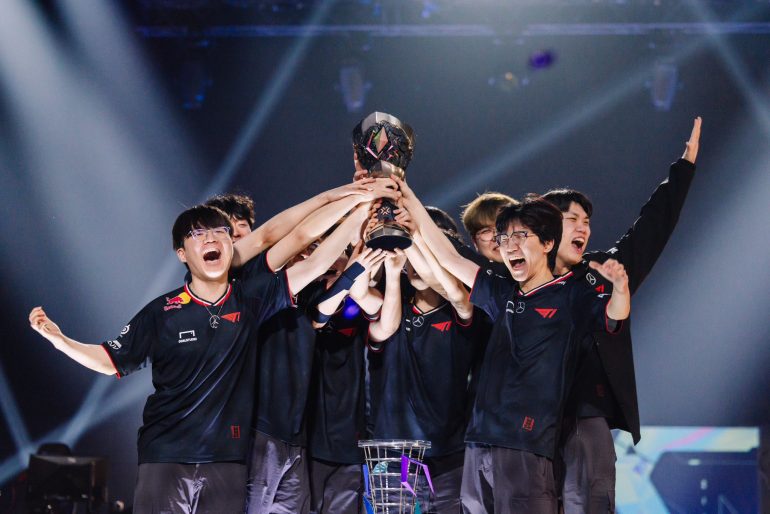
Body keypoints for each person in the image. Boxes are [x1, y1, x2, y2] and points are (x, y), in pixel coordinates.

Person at [28, 203, 361, 513]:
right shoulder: (162, 312)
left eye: (219, 232)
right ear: (182, 253)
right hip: (167, 456)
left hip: (227, 462)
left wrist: (360, 209)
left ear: (231, 246)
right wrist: (60, 341)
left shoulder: (250, 300)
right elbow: (108, 359)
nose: (211, 239)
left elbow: (315, 263)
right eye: (198, 234)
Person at [396, 182, 630, 513]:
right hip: (478, 442)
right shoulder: (501, 291)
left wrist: (620, 289)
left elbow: (614, 317)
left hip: (525, 445)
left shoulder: (572, 295)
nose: (509, 246)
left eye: (520, 236)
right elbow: (449, 257)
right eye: (504, 238)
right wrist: (406, 196)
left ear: (548, 243)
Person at [542, 116, 701, 513]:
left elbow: (651, 228)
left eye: (586, 222)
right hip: (531, 424)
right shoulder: (522, 279)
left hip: (586, 416)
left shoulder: (602, 271)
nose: (583, 228)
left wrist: (683, 169)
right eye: (572, 219)